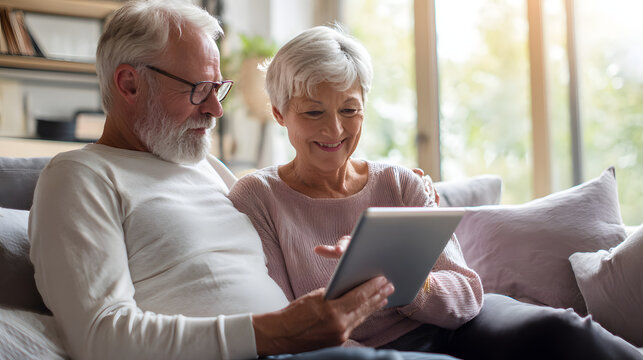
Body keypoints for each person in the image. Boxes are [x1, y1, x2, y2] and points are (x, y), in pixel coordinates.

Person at [27, 1, 457, 360]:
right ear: (129, 84)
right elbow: (99, 334)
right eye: (198, 89)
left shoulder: (208, 170)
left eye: (218, 88)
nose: (216, 109)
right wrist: (277, 331)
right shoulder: (78, 178)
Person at [228, 26, 643, 360]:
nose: (334, 130)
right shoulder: (258, 197)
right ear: (280, 113)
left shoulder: (398, 182)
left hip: (455, 328)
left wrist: (407, 282)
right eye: (314, 111)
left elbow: (466, 295)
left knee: (558, 330)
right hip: (349, 351)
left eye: (349, 110)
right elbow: (284, 323)